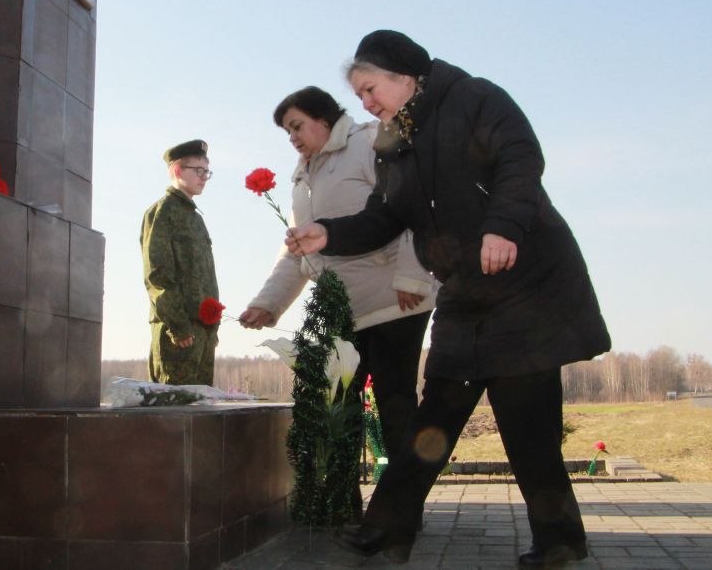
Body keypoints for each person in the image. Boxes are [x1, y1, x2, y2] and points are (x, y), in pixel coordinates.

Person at [287, 31, 610, 567]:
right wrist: (330, 234)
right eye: (360, 94)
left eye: (370, 90)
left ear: (404, 76)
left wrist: (503, 227)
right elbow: (386, 215)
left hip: (523, 283)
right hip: (464, 291)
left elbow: (520, 159)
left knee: (526, 421)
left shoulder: (475, 98)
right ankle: (387, 530)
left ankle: (560, 541)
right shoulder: (392, 140)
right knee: (432, 415)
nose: (365, 104)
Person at [238, 86, 439, 463]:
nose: (293, 138)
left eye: (297, 126)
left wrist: (412, 276)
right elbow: (298, 248)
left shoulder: (367, 144)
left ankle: (401, 505)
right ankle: (343, 503)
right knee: (339, 403)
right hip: (344, 306)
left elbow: (413, 205)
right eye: (287, 132)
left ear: (324, 119)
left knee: (394, 400)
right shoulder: (303, 177)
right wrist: (268, 303)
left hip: (395, 298)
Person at [140, 139, 220, 385]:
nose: (204, 177)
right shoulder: (163, 212)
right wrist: (179, 326)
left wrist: (212, 328)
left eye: (207, 171)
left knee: (199, 411)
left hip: (202, 333)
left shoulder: (195, 218)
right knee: (173, 413)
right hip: (179, 335)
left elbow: (205, 278)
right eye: (198, 170)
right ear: (177, 170)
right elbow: (158, 275)